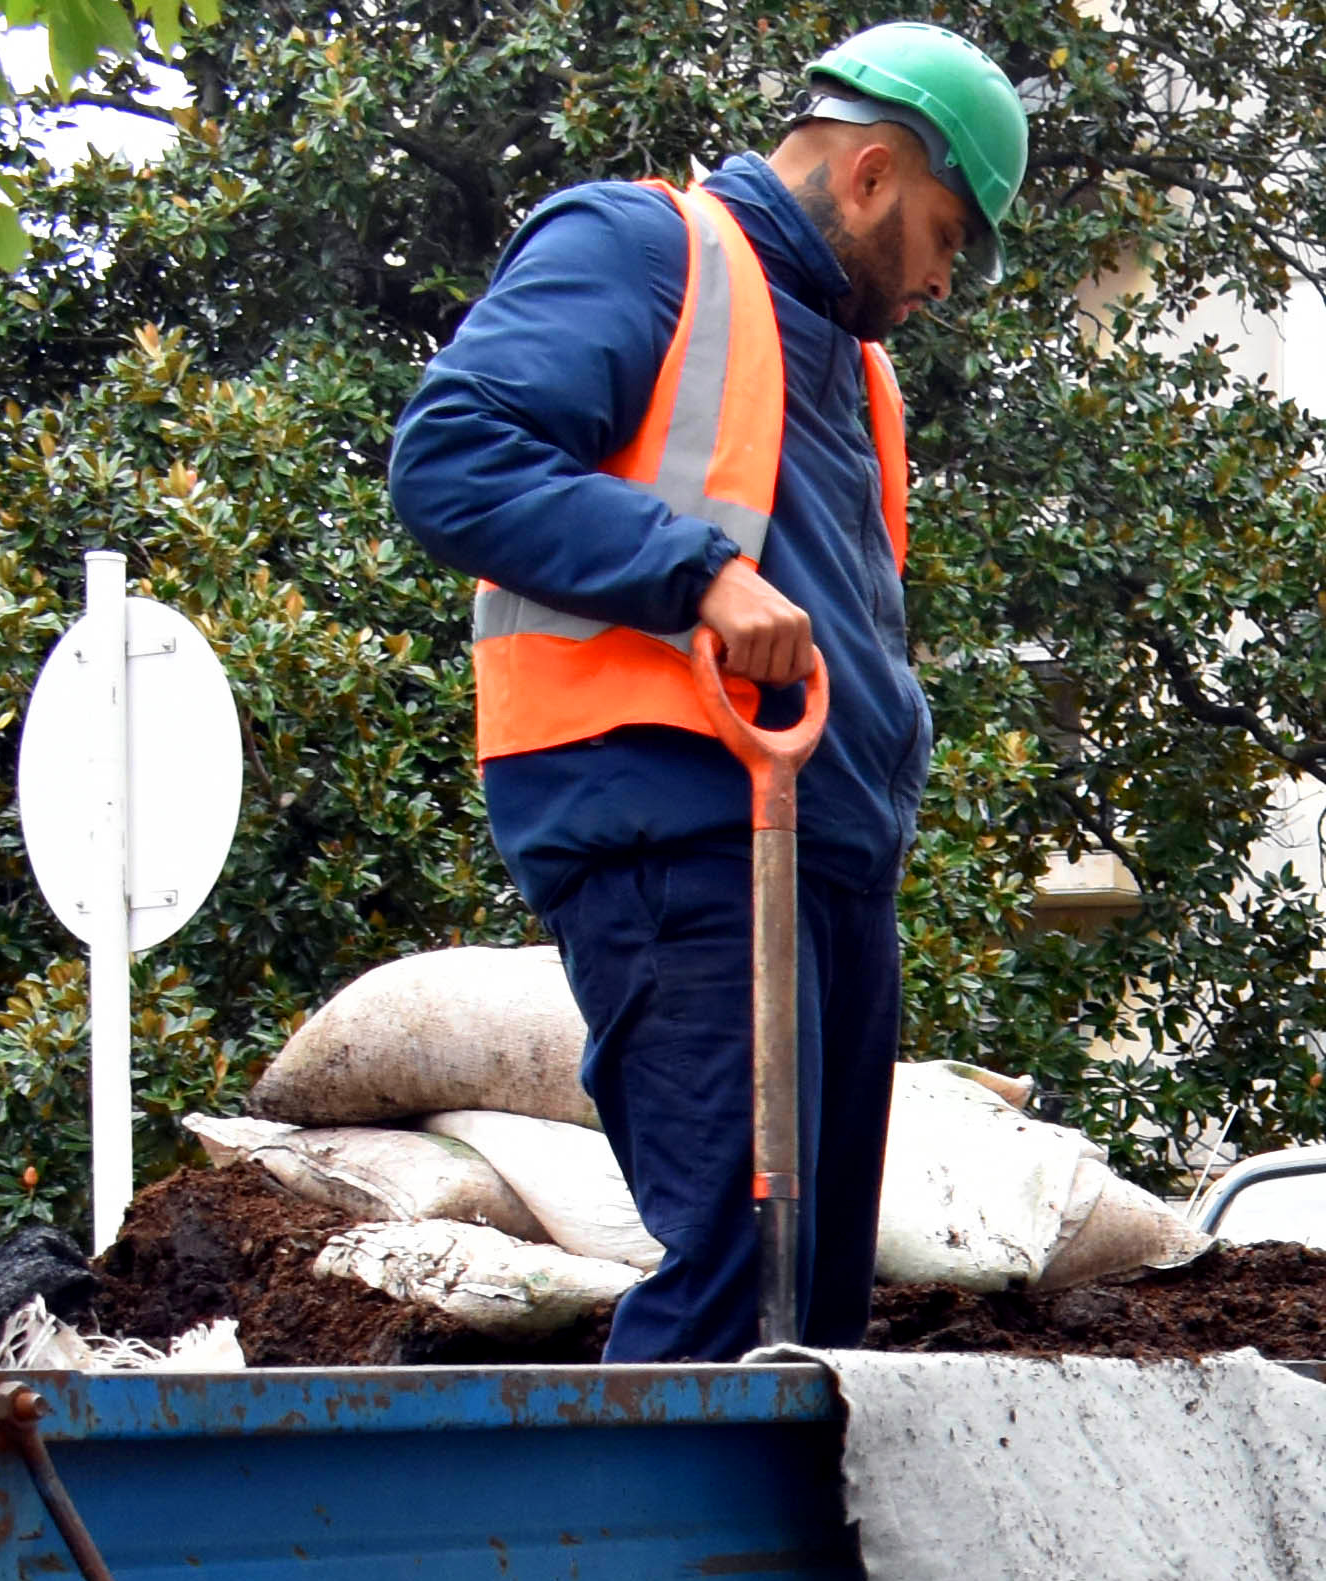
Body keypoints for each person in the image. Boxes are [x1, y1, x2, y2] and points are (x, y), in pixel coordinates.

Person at [388, 26, 1025, 1363]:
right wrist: (698, 576)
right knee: (737, 1281)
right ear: (869, 175)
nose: (945, 278)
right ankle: (629, 1565)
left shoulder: (852, 369)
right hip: (674, 829)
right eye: (948, 235)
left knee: (815, 1315)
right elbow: (449, 459)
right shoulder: (645, 250)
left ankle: (775, 1575)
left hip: (825, 859)